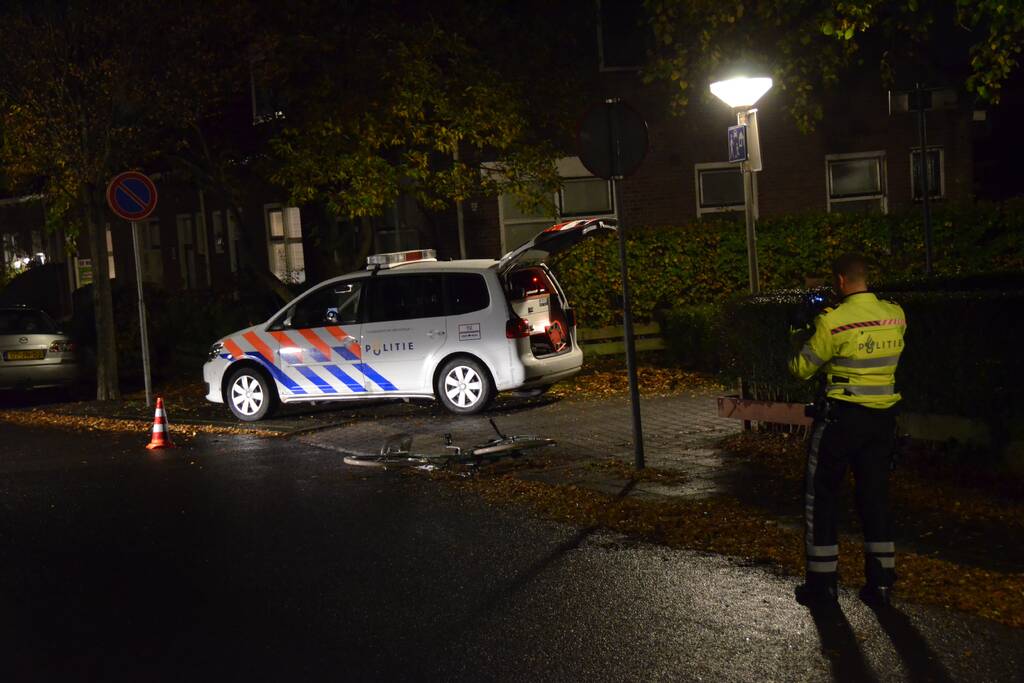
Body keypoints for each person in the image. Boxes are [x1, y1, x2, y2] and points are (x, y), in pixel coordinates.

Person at [788, 253, 907, 608]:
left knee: (822, 497)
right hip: (882, 422)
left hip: (841, 421)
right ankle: (881, 583)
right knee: (875, 497)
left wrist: (799, 329)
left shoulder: (833, 322)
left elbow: (800, 368)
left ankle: (822, 586)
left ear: (840, 281)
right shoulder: (896, 315)